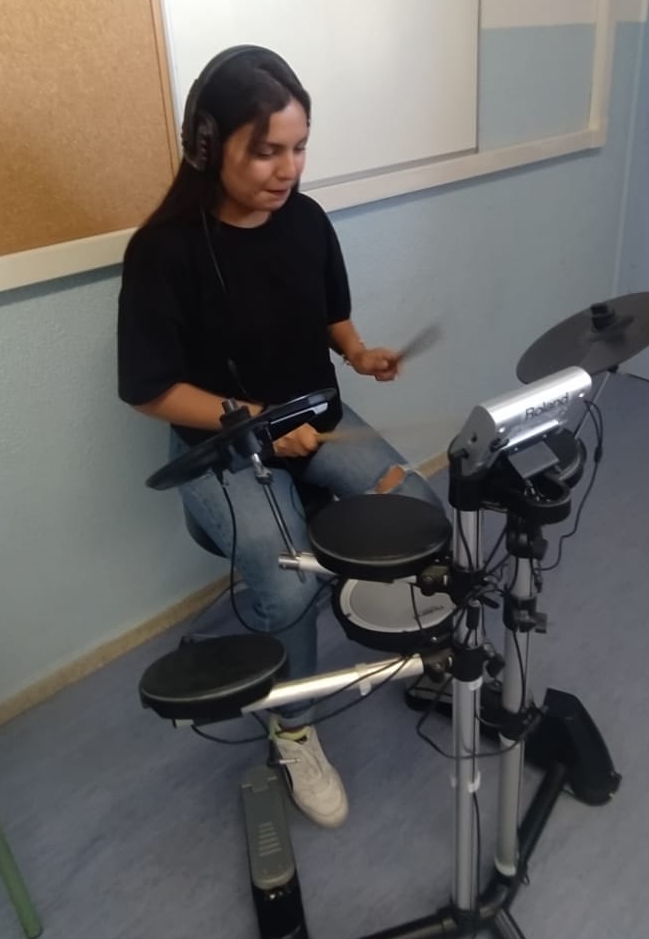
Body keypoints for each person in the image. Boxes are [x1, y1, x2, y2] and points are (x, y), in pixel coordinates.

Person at [117, 46, 444, 826]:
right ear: (208, 147)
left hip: (316, 418)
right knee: (291, 579)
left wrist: (356, 352)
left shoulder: (306, 220)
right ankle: (293, 729)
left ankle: (424, 657)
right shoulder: (162, 252)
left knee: (419, 510)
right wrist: (257, 420)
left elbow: (327, 311)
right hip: (221, 447)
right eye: (267, 150)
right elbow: (151, 391)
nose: (287, 169)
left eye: (299, 148)